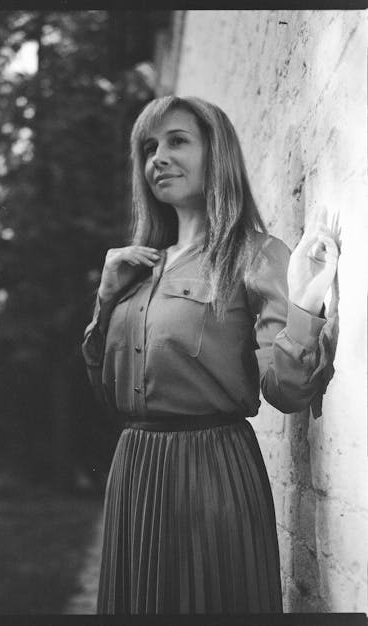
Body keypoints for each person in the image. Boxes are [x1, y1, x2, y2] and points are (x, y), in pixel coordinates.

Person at [81, 95, 338, 614]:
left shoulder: (255, 254)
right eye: (149, 147)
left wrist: (307, 305)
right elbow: (108, 393)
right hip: (133, 471)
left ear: (215, 154)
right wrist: (106, 299)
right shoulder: (136, 268)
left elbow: (286, 393)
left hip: (211, 474)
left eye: (177, 141)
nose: (158, 157)